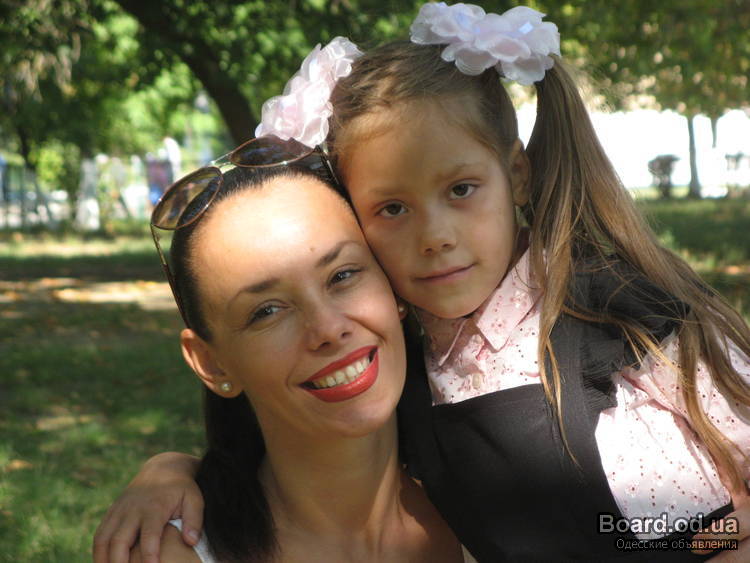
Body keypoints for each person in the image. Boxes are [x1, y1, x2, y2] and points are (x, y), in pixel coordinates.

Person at [95, 3, 750, 561]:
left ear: (516, 175)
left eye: (461, 189)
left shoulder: (622, 315)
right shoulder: (412, 368)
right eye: (392, 209)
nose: (433, 235)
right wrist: (169, 469)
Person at [121, 148, 466, 562]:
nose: (327, 329)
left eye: (342, 275)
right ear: (211, 363)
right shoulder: (172, 554)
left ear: (393, 285)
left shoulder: (496, 507)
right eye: (267, 311)